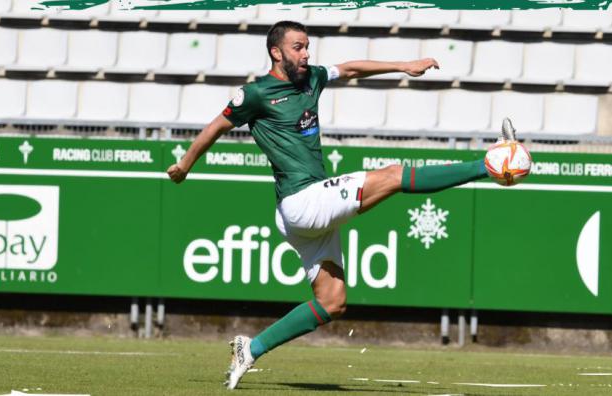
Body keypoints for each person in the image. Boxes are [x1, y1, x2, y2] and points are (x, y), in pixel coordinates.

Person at [167, 20, 519, 390]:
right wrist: (185, 165)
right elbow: (215, 127)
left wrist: (403, 65)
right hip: (302, 202)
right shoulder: (255, 94)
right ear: (276, 52)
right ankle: (491, 162)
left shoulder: (312, 78)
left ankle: (250, 349)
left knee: (332, 302)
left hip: (306, 206)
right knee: (394, 175)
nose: (306, 54)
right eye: (298, 47)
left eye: (307, 47)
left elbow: (351, 68)